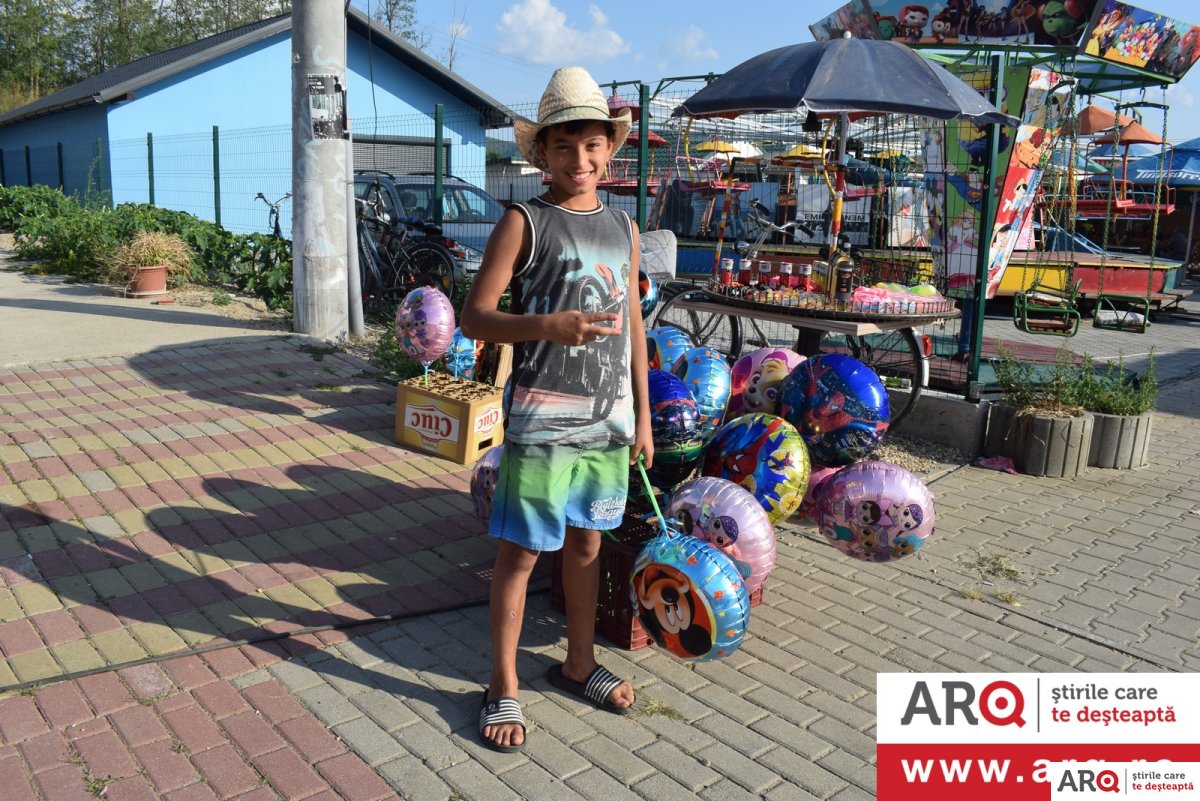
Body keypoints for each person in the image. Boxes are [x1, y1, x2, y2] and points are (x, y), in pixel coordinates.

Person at [459, 66, 653, 753]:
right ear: (541, 152)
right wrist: (546, 326)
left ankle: (578, 662)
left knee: (589, 543)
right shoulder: (523, 222)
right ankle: (502, 683)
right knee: (520, 554)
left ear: (610, 150)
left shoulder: (624, 227)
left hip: (608, 425)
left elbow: (634, 325)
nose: (580, 159)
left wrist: (643, 417)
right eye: (564, 146)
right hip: (542, 423)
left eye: (592, 144)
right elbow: (475, 317)